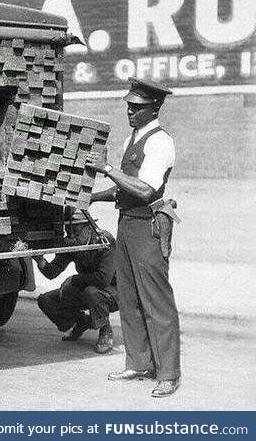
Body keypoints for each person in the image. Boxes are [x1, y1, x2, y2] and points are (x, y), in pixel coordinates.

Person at [86, 76, 181, 398]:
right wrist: (93, 197)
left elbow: (145, 188)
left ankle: (168, 373)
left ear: (154, 108)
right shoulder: (133, 139)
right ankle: (139, 362)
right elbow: (123, 187)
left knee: (156, 301)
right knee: (129, 298)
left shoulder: (160, 141)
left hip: (148, 227)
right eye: (128, 105)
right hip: (127, 224)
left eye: (137, 107)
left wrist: (108, 168)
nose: (130, 111)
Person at [34, 211, 118, 354]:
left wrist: (74, 279)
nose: (71, 235)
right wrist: (40, 260)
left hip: (114, 291)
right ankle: (82, 322)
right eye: (68, 231)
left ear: (89, 228)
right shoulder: (74, 244)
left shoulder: (104, 240)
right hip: (88, 289)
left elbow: (103, 279)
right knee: (47, 300)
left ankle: (105, 330)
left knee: (91, 292)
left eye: (75, 230)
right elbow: (52, 272)